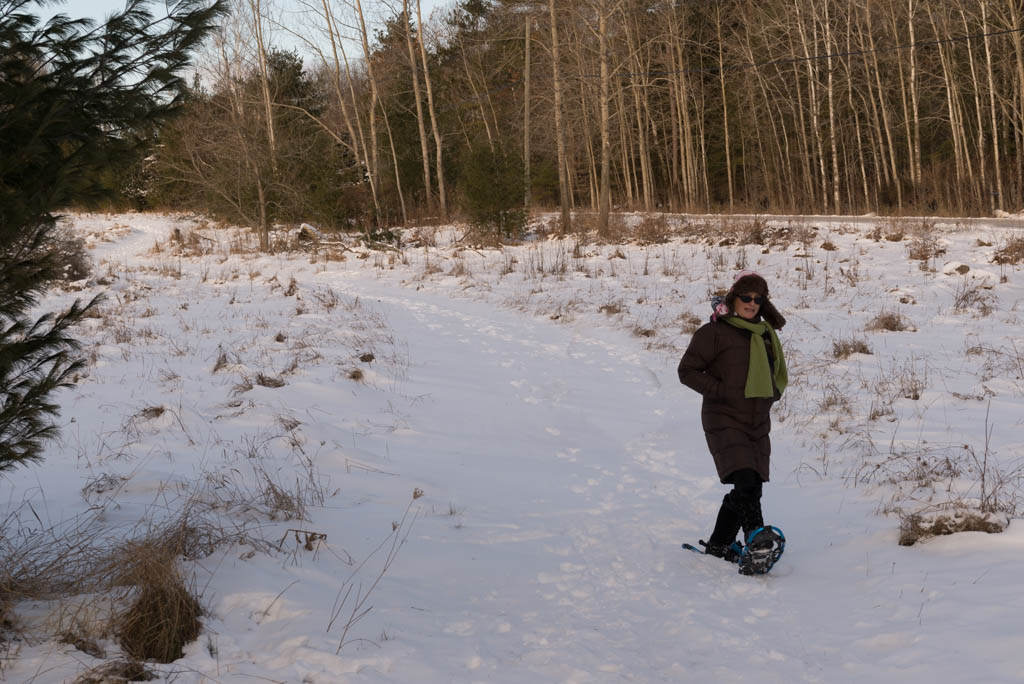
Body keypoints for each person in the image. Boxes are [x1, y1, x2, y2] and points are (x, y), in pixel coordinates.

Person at [677, 271, 788, 574]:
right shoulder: (714, 333)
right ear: (733, 299)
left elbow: (775, 372)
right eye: (746, 297)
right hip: (723, 416)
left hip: (756, 419)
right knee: (746, 479)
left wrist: (772, 393)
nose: (752, 303)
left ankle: (719, 544)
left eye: (758, 299)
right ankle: (757, 537)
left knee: (750, 488)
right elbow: (686, 370)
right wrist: (721, 391)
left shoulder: (766, 335)